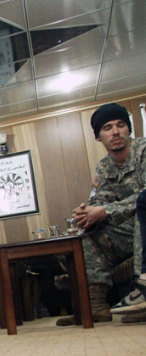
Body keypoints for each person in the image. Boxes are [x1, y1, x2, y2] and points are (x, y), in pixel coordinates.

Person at [56, 102, 145, 326]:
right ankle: (95, 305)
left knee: (140, 224)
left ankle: (142, 292)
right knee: (86, 232)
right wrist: (87, 213)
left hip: (143, 222)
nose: (115, 132)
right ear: (98, 137)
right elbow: (100, 199)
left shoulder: (143, 151)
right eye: (107, 128)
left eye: (120, 125)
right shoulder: (104, 166)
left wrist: (105, 210)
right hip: (125, 227)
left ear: (128, 129)